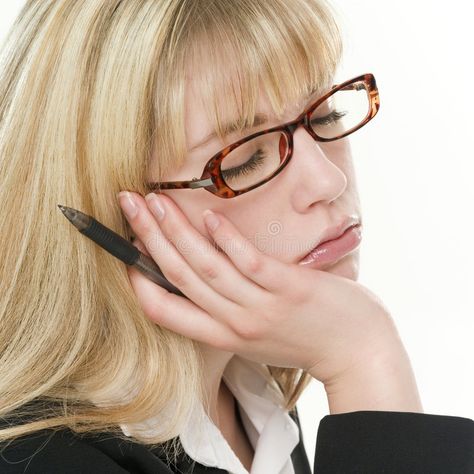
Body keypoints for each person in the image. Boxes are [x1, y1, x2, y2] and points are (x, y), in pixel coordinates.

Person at [0, 1, 472, 473]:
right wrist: (367, 362)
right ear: (117, 217)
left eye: (324, 115)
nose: (329, 181)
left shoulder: (250, 396)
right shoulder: (42, 461)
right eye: (244, 160)